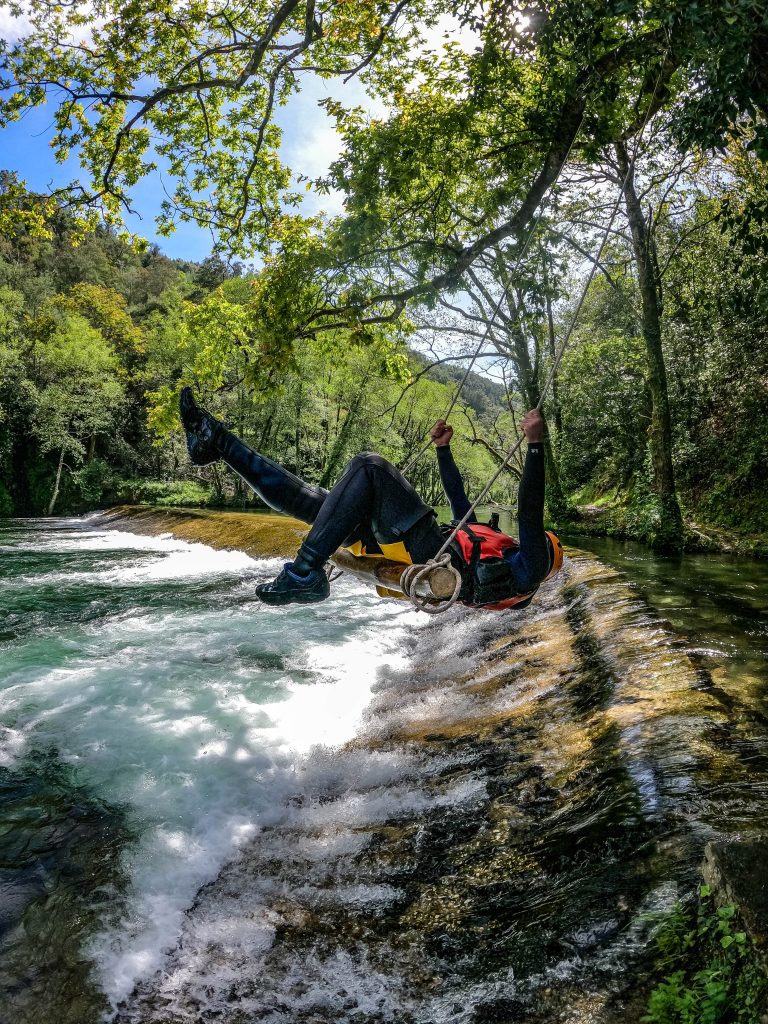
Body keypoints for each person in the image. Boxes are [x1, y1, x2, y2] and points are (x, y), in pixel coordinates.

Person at [179, 388, 562, 608]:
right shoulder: (495, 548)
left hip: (423, 551)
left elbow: (529, 514)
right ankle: (217, 443)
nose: (523, 541)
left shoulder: (528, 569)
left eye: (539, 545)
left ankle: (303, 573)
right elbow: (457, 496)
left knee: (370, 466)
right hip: (405, 546)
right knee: (309, 502)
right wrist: (443, 450)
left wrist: (535, 446)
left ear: (546, 554)